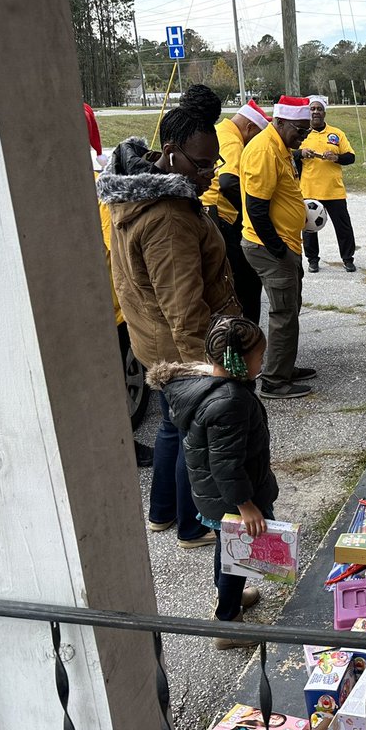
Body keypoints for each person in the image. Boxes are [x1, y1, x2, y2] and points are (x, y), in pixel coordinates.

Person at [97, 84, 239, 548]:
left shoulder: (134, 187)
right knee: (194, 434)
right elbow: (185, 308)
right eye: (201, 165)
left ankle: (161, 512)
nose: (208, 175)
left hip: (152, 341)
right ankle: (192, 524)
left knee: (171, 428)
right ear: (172, 153)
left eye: (213, 164)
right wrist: (213, 372)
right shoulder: (169, 218)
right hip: (179, 349)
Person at [147, 315, 275, 650]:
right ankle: (227, 623)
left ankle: (228, 599)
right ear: (239, 362)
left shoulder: (214, 388)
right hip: (232, 499)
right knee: (236, 554)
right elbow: (225, 464)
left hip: (217, 496)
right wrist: (246, 505)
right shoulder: (230, 402)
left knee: (229, 550)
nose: (262, 363)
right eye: (259, 358)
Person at [85, 103, 155, 468]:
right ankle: (120, 446)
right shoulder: (100, 196)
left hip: (96, 307)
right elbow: (125, 254)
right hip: (110, 311)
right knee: (110, 383)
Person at [240, 95, 317, 400]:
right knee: (284, 312)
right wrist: (280, 251)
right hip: (269, 246)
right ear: (280, 122)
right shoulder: (263, 150)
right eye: (299, 129)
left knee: (291, 308)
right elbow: (256, 208)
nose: (304, 135)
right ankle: (273, 380)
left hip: (285, 244)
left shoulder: (281, 147)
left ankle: (283, 366)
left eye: (306, 130)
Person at [200, 98, 271, 322]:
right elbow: (229, 181)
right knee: (244, 280)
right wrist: (248, 212)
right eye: (257, 134)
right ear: (250, 127)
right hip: (220, 218)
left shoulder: (219, 130)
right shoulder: (232, 141)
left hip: (207, 212)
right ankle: (245, 331)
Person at [298, 95, 358, 273]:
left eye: (319, 109)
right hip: (309, 189)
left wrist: (336, 157)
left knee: (343, 227)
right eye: (312, 109)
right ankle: (312, 260)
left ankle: (348, 259)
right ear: (309, 112)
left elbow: (351, 157)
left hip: (333, 190)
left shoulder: (336, 134)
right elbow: (290, 156)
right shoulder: (302, 134)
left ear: (324, 112)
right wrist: (301, 153)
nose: (315, 112)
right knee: (309, 228)